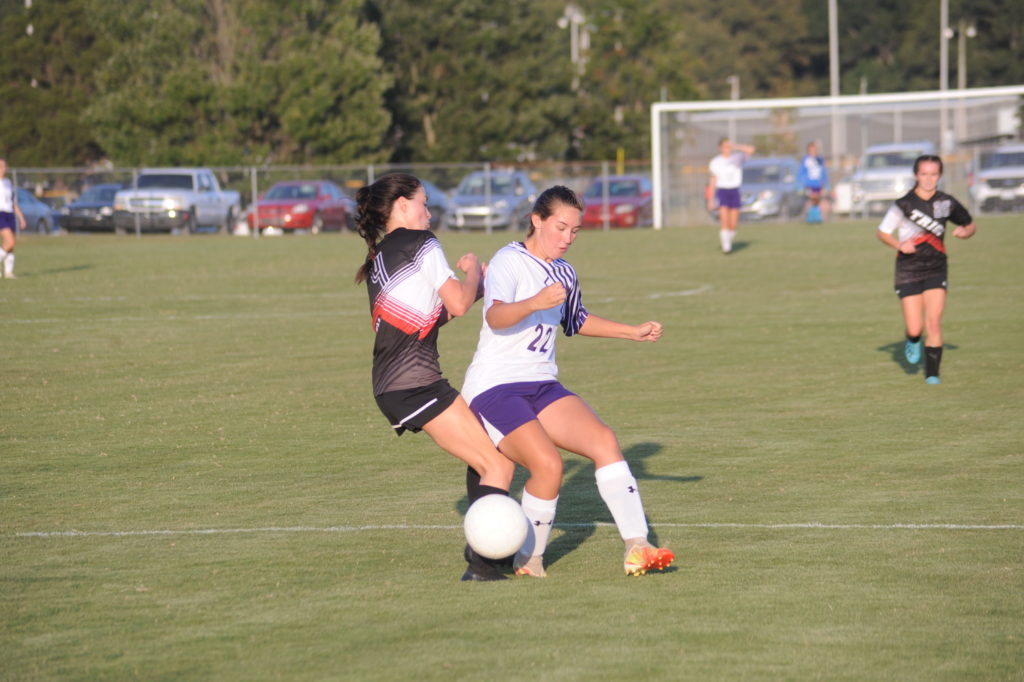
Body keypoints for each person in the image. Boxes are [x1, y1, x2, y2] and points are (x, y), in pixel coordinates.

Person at [461, 185, 674, 578]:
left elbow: (576, 320)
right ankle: (530, 559)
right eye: (560, 228)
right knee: (548, 465)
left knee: (604, 441)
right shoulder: (509, 260)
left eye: (575, 231)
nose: (567, 238)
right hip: (495, 386)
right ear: (536, 220)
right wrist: (535, 302)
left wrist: (631, 332)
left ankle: (638, 546)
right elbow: (495, 317)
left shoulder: (565, 272)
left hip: (542, 383)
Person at [354, 173, 516, 581]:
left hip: (398, 385)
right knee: (498, 465)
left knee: (487, 457)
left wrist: (477, 287)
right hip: (414, 384)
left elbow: (431, 317)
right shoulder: (421, 242)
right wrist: (473, 272)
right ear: (403, 206)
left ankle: (489, 558)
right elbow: (458, 305)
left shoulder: (382, 255)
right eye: (423, 203)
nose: (429, 212)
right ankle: (485, 562)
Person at [875, 155, 977, 384]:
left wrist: (966, 232)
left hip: (936, 268)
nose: (929, 179)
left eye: (933, 174)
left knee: (934, 322)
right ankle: (913, 340)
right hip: (908, 270)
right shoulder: (904, 204)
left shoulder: (946, 202)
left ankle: (932, 375)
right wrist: (899, 244)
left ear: (940, 176)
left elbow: (970, 224)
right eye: (924, 174)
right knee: (915, 328)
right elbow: (882, 232)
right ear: (916, 175)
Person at [706, 137, 755, 253]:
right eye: (725, 146)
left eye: (729, 146)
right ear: (720, 148)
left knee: (733, 224)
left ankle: (728, 237)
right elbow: (712, 181)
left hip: (734, 190)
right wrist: (710, 199)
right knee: (724, 220)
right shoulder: (715, 162)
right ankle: (726, 247)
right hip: (722, 191)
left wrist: (736, 146)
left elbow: (751, 149)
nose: (727, 148)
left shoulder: (737, 158)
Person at [0, 158, 27, 279]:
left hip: (10, 214)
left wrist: (21, 218)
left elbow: (13, 202)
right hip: (0, 214)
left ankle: (8, 272)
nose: (2, 168)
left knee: (10, 245)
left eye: (3, 166)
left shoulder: (8, 182)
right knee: (10, 241)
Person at [797, 142, 830, 223]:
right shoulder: (806, 160)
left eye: (814, 150)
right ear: (808, 151)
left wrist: (826, 184)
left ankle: (814, 216)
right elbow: (801, 172)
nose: (813, 152)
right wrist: (800, 185)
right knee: (813, 198)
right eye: (811, 150)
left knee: (817, 200)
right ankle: (812, 216)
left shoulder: (820, 160)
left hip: (818, 184)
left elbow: (824, 172)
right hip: (809, 184)